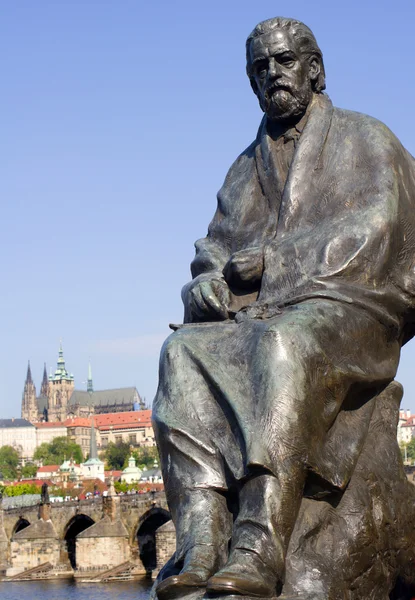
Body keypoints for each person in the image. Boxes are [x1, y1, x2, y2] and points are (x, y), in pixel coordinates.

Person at [153, 16, 415, 599]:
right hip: (258, 315)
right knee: (181, 352)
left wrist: (274, 264)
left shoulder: (366, 138)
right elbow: (213, 247)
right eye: (258, 68)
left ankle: (259, 544)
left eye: (282, 61)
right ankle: (200, 536)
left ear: (315, 69)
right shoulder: (244, 168)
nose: (270, 74)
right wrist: (205, 285)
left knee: (283, 345)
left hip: (353, 307)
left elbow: (377, 230)